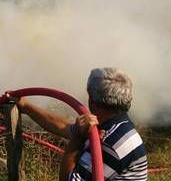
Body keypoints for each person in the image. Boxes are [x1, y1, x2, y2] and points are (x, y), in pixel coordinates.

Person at [12, 68, 147, 181]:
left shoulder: (111, 144)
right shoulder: (117, 126)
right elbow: (62, 126)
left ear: (92, 103)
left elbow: (68, 179)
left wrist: (78, 138)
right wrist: (25, 106)